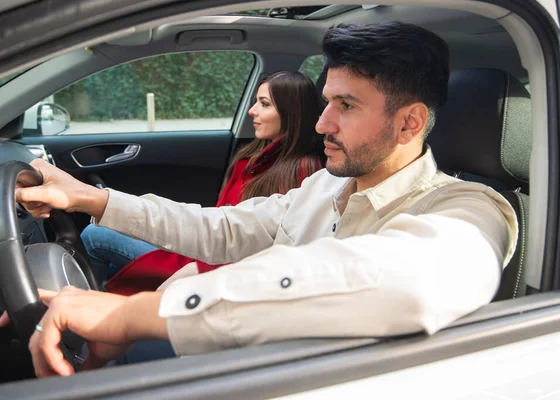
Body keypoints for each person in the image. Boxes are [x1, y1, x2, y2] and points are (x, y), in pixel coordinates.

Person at [8, 21, 518, 378]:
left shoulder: (472, 210)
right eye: (326, 104)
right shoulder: (326, 185)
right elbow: (224, 228)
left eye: (346, 106)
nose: (321, 125)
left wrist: (134, 313)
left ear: (409, 122)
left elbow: (413, 282)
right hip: (234, 361)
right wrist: (92, 198)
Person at [80, 71, 324, 290]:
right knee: (107, 246)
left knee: (95, 234)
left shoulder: (301, 170)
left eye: (264, 104)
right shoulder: (252, 156)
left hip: (213, 262)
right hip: (206, 247)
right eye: (255, 102)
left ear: (291, 113)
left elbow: (270, 247)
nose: (252, 110)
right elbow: (220, 221)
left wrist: (201, 269)